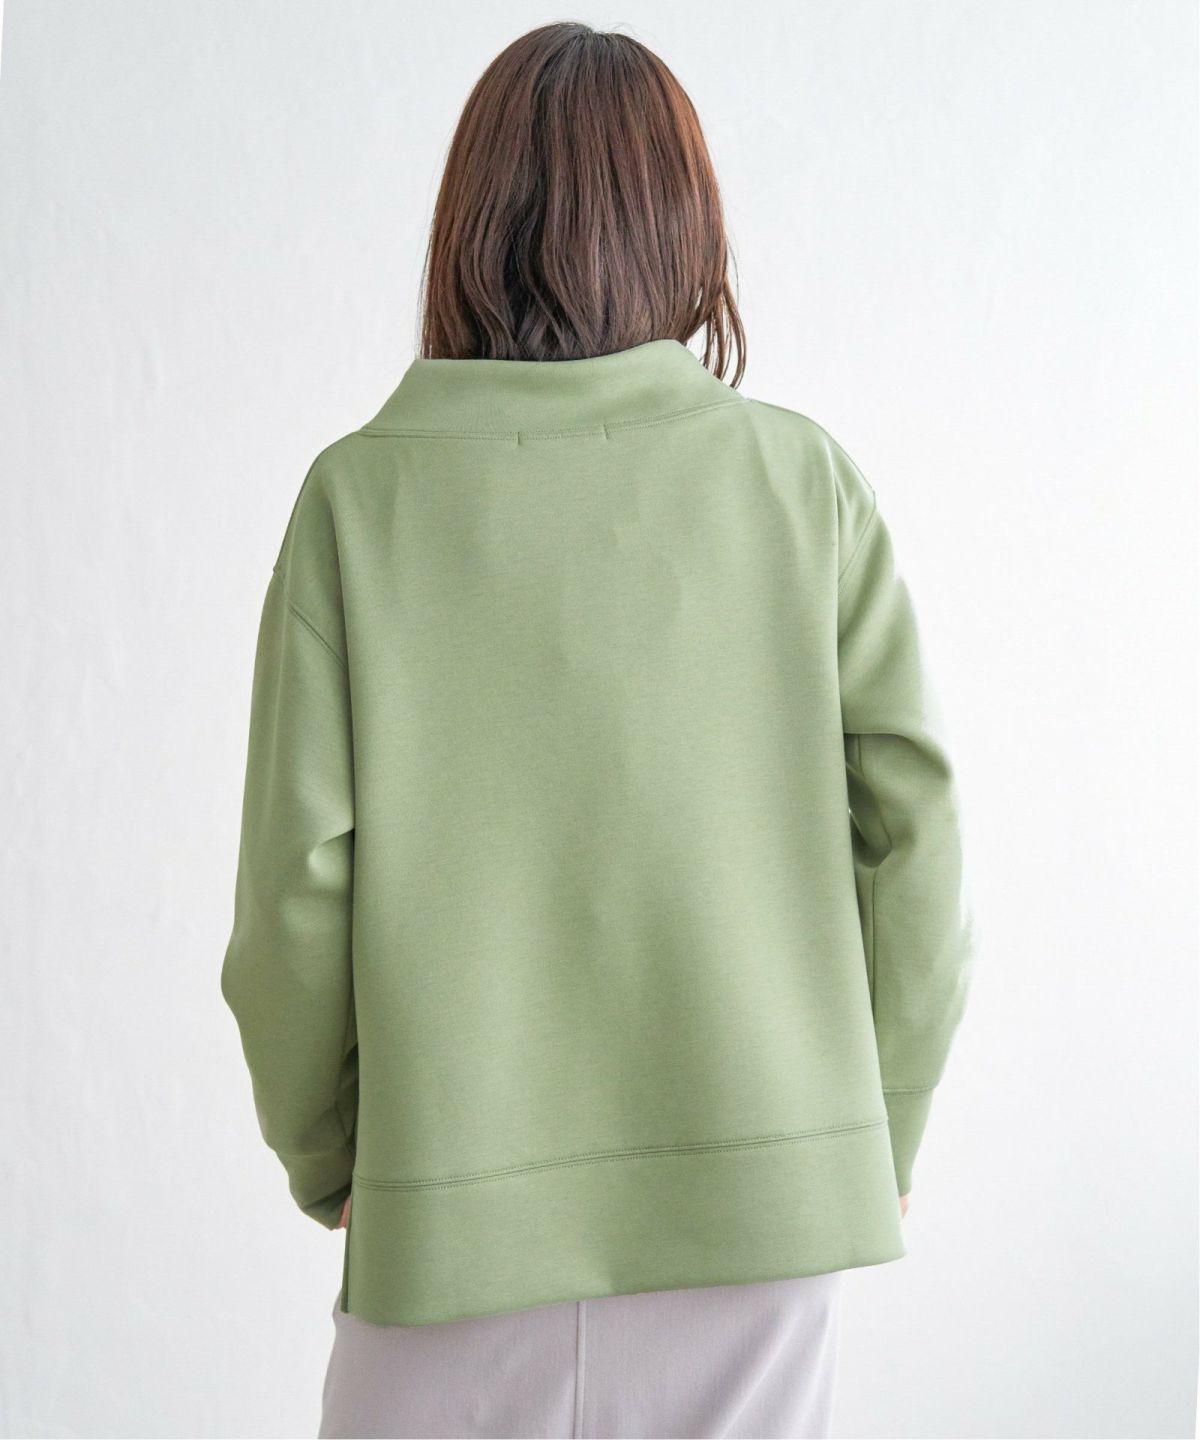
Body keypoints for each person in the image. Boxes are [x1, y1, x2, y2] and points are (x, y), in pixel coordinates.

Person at [219, 20, 976, 1440]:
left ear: (469, 232)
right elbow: (918, 841)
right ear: (685, 226)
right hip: (764, 1221)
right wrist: (864, 1131)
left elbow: (292, 899)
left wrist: (339, 1158)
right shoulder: (801, 485)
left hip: (450, 1224)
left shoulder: (360, 504)